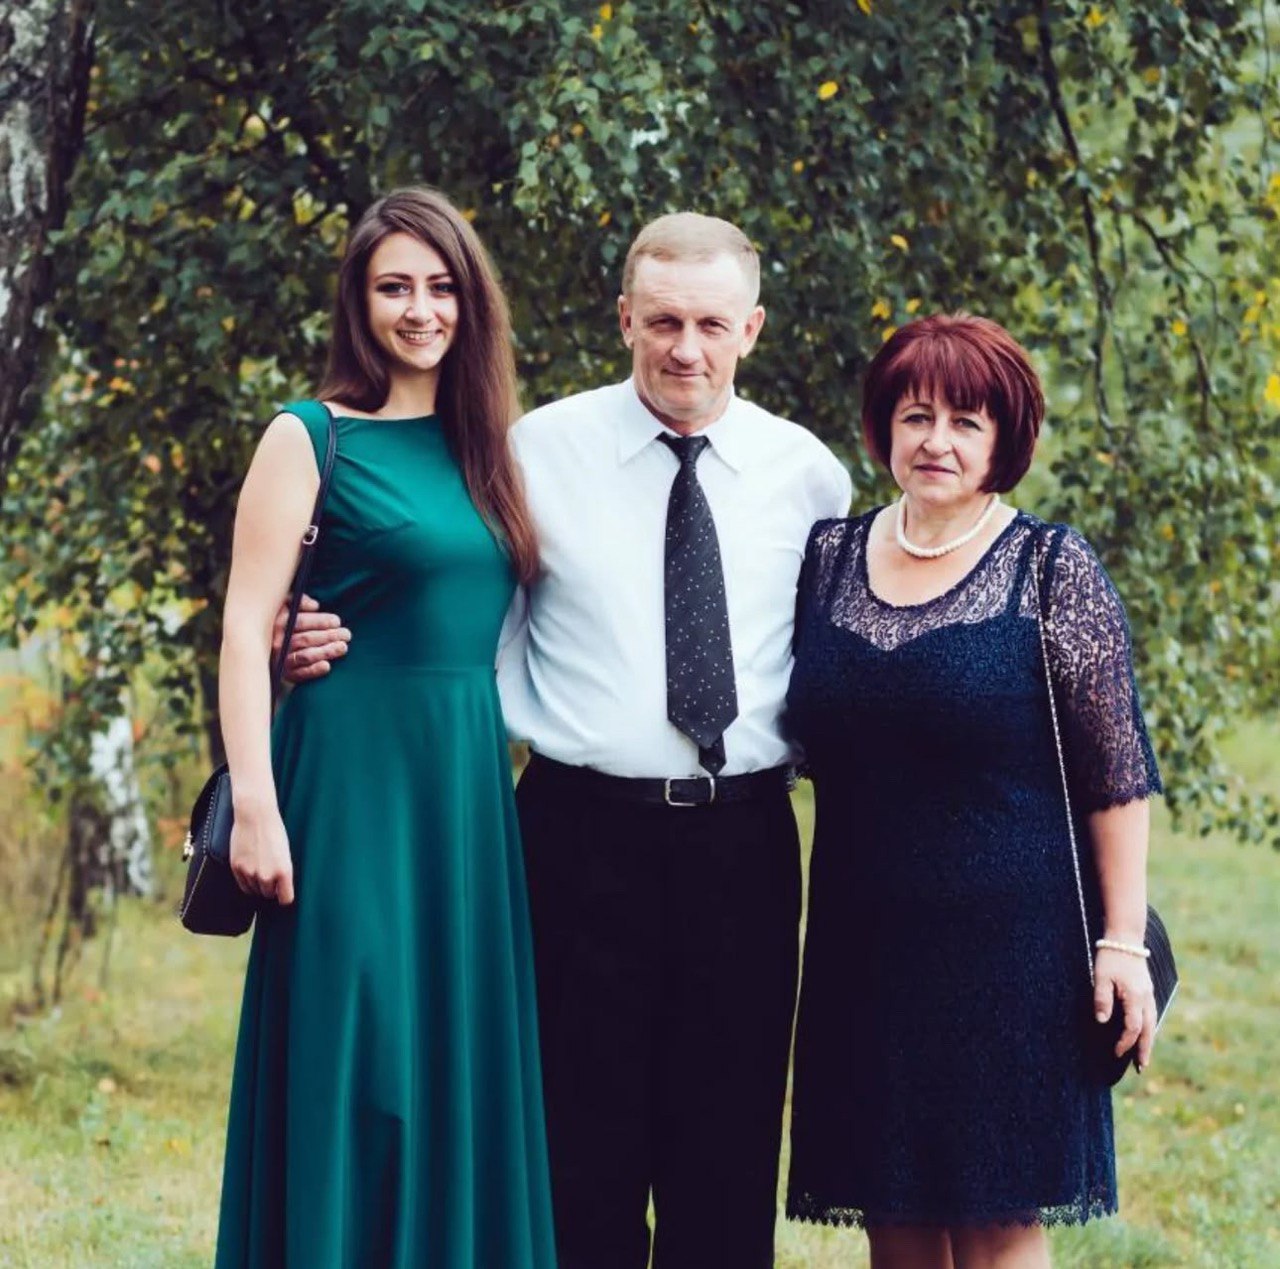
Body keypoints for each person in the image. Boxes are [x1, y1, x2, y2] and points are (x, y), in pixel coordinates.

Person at [284, 212, 852, 1269]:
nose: (686, 348)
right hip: (576, 837)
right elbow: (442, 603)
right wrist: (307, 634)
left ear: (752, 329)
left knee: (726, 1158)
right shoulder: (529, 455)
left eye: (712, 324)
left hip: (743, 844)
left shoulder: (809, 477)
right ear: (624, 317)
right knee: (575, 1160)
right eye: (664, 321)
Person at [214, 187, 557, 1269]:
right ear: (358, 303)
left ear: (471, 301)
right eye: (394, 287)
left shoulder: (492, 448)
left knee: (450, 1060)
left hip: (462, 793)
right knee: (357, 1053)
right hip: (347, 784)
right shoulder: (309, 435)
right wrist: (256, 807)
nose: (420, 309)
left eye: (441, 287)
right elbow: (244, 628)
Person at [784, 313, 1161, 1268]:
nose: (937, 441)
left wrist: (1121, 943)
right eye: (916, 416)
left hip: (1011, 953)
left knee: (996, 1225)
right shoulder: (827, 558)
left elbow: (1117, 773)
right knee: (894, 1215)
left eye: (966, 421)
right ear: (885, 426)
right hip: (864, 946)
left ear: (1006, 438)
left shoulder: (1051, 568)